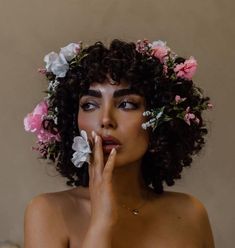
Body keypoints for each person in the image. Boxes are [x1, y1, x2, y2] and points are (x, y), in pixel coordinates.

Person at [23, 39, 215, 247]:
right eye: (89, 105)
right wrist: (101, 222)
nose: (105, 119)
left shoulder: (190, 214)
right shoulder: (48, 212)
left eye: (126, 104)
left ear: (158, 121)